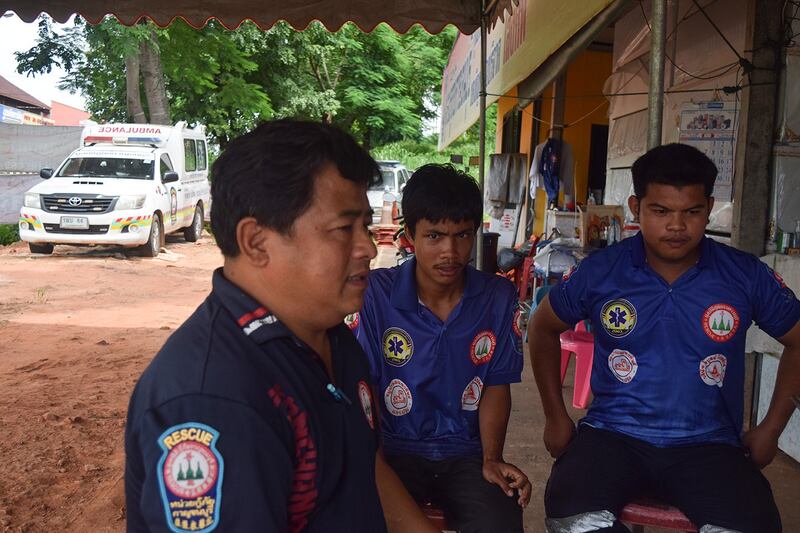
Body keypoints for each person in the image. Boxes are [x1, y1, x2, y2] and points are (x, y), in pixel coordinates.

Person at [125, 119, 436, 533]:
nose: (367, 246)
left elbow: (360, 468)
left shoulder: (332, 338)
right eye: (345, 228)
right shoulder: (215, 399)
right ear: (256, 241)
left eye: (365, 225)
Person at [528, 143, 800, 533]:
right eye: (661, 211)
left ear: (708, 208)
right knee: (571, 515)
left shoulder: (744, 275)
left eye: (691, 212)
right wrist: (555, 417)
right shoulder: (602, 271)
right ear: (636, 207)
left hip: (709, 444)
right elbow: (542, 327)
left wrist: (771, 428)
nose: (676, 226)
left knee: (755, 523)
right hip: (612, 435)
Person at [352, 163, 532, 533]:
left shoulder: (498, 297)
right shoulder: (375, 295)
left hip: (466, 454)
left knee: (501, 519)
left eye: (462, 235)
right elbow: (362, 388)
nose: (450, 251)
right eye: (434, 236)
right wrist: (369, 462)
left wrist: (491, 457)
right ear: (409, 237)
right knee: (360, 515)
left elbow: (496, 385)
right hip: (393, 451)